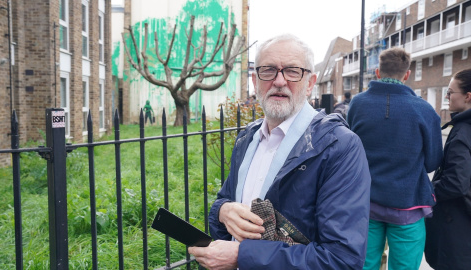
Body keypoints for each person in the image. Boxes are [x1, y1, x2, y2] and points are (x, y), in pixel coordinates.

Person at [188, 34, 371, 270]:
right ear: (255, 81)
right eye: (268, 70)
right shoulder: (248, 138)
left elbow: (341, 260)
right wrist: (223, 211)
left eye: (293, 71)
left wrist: (242, 256)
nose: (279, 81)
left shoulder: (340, 148)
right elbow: (226, 199)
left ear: (311, 83)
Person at [347, 47, 443, 270]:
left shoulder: (358, 104)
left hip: (365, 203)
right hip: (408, 204)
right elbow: (432, 161)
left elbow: (350, 150)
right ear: (407, 74)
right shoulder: (424, 110)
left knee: (364, 264)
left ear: (378, 72)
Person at [425, 68, 471, 270]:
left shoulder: (462, 132)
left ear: (468, 96)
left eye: (451, 92)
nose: (447, 96)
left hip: (456, 227)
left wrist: (427, 192)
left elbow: (455, 183)